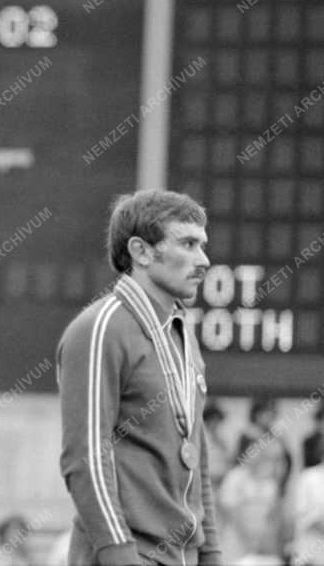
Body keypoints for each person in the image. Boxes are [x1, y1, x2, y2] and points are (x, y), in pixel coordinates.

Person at [57, 190, 222, 565]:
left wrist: (210, 553)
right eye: (188, 244)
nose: (204, 260)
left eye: (202, 245)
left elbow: (198, 462)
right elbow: (85, 458)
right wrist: (120, 555)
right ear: (141, 251)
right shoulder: (100, 328)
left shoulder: (182, 334)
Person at [216, 436, 285, 564]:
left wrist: (265, 539)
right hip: (236, 540)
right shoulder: (234, 477)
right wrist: (248, 539)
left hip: (261, 544)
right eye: (253, 450)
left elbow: (273, 514)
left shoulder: (269, 480)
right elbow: (230, 512)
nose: (257, 454)